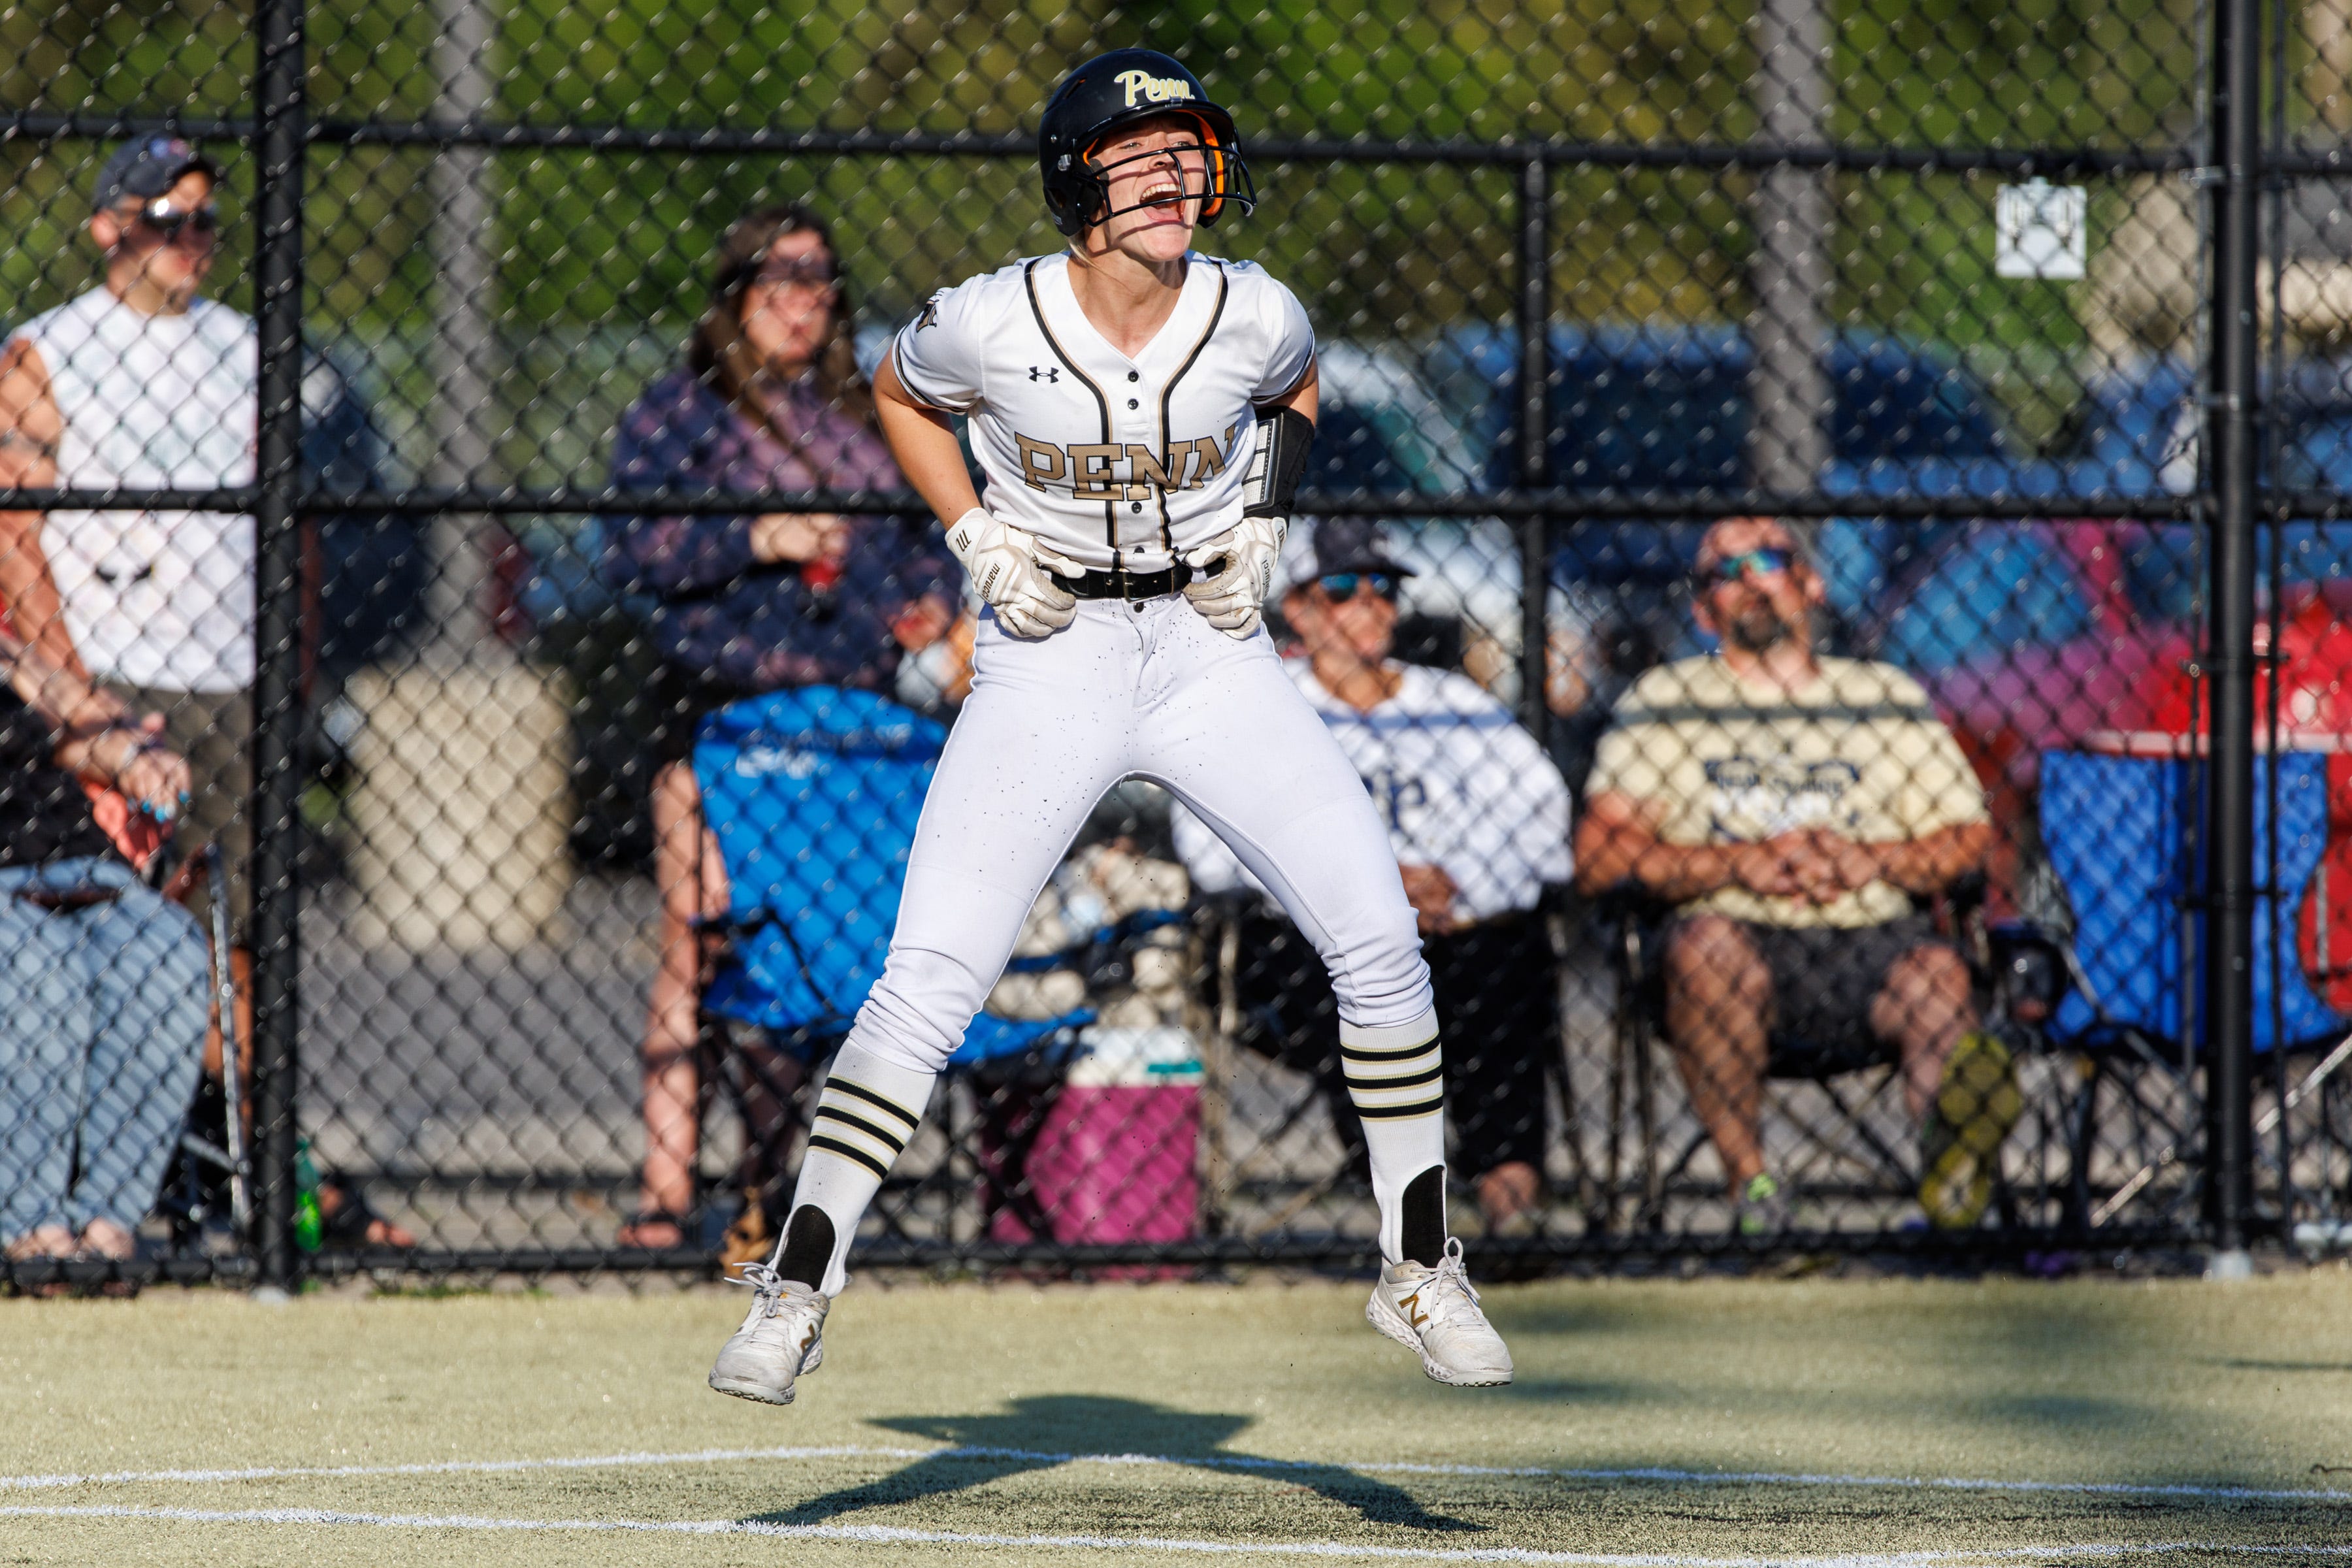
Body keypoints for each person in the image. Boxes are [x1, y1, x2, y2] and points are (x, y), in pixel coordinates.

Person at [706, 48, 1512, 1405]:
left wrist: (1267, 517)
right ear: (1077, 179)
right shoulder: (992, 319)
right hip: (1050, 653)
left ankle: (1419, 1266)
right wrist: (971, 533)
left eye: (1189, 148)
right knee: (931, 979)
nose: (1177, 174)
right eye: (1143, 153)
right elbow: (903, 394)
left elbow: (1298, 388)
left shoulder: (1251, 312)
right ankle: (798, 1286)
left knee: (1377, 936)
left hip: (1212, 652)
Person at [601, 203, 957, 1256]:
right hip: (718, 707)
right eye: (778, 283)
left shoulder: (865, 408)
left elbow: (924, 546)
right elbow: (633, 550)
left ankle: (799, 1187)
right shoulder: (685, 412)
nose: (802, 304)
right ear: (737, 296)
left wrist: (928, 606)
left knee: (834, 945)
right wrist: (755, 534)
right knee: (700, 934)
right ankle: (667, 1195)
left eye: (819, 285)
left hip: (850, 718)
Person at [1572, 517, 2020, 1234]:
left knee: (1939, 977)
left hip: (1873, 936)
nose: (1751, 580)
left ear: (1810, 584)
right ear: (1702, 609)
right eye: (1727, 571)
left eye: (1769, 561)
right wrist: (1738, 862)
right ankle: (1757, 1196)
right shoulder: (1667, 701)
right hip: (1728, 945)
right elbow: (1597, 855)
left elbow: (1970, 841)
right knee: (1709, 950)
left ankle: (1954, 1178)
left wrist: (1869, 858)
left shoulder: (1883, 695)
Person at [1173, 519, 1571, 1233]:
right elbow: (1210, 848)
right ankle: (1415, 1205)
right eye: (1343, 588)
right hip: (1308, 939)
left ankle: (1512, 1205)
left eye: (1384, 588)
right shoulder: (1257, 706)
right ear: (1296, 607)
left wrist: (1459, 883)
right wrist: (1369, 889)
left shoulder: (1452, 704)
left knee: (1509, 957)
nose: (1370, 605)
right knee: (1354, 963)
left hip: (1456, 929)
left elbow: (1541, 822)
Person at [0, 620, 206, 1280]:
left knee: (165, 949)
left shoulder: (10, 653)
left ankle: (105, 1221)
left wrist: (129, 758)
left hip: (72, 856)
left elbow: (76, 718)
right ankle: (28, 1223)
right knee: (36, 966)